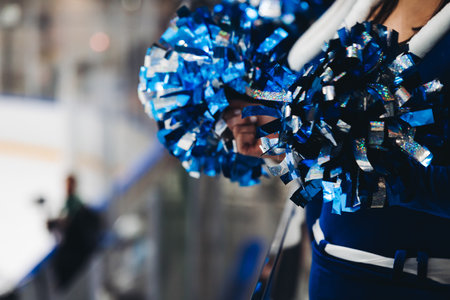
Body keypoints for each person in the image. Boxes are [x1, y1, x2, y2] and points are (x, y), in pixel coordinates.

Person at [224, 0, 450, 298]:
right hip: (328, 267)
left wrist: (391, 179)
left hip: (404, 281)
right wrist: (285, 145)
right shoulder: (363, 4)